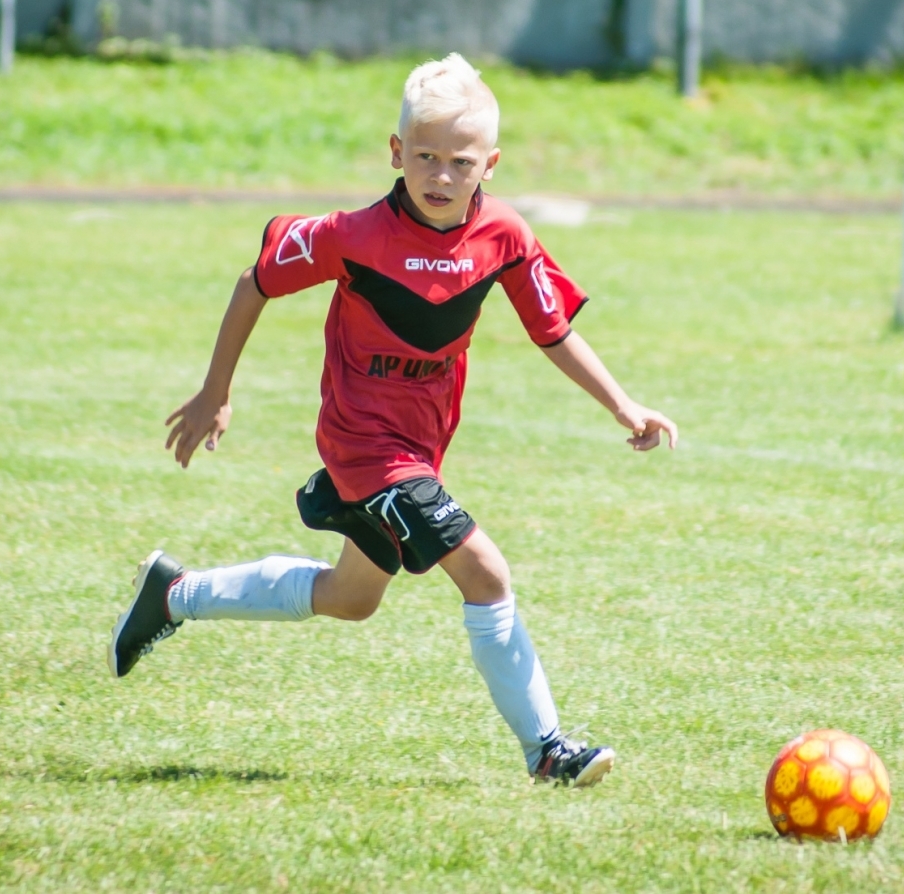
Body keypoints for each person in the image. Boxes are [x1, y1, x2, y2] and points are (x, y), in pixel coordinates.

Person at [109, 54, 678, 787]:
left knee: (352, 599)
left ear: (491, 165)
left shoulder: (504, 237)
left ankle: (174, 593)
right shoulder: (352, 235)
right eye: (425, 157)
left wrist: (623, 404)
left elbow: (552, 330)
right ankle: (548, 750)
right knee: (485, 573)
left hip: (419, 450)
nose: (441, 176)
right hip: (363, 447)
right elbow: (255, 282)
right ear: (395, 153)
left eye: (460, 162)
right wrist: (216, 389)